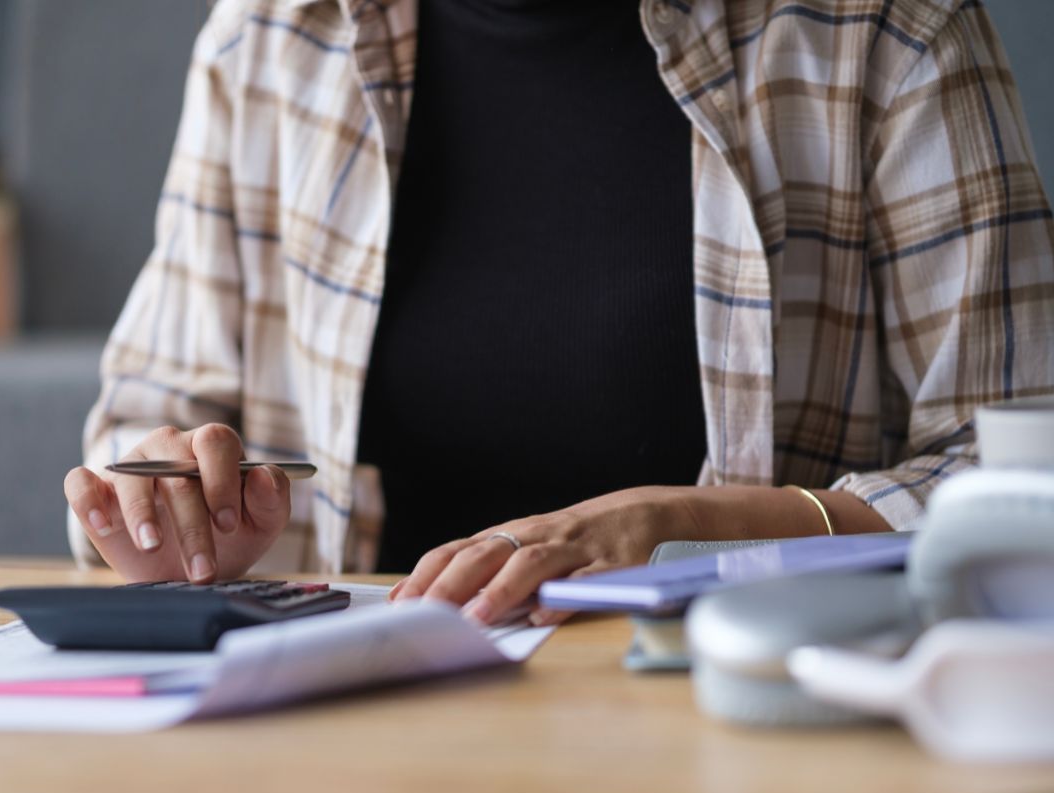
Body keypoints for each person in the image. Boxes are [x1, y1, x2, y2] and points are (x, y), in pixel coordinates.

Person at [64, 0, 1054, 626]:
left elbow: (1024, 465)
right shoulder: (274, 35)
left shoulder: (885, 30)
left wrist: (694, 527)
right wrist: (185, 517)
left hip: (749, 697)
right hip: (365, 704)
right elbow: (148, 414)